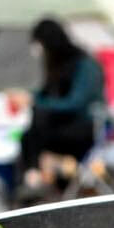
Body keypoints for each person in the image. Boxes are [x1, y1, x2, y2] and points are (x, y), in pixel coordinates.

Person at [11, 19, 104, 189]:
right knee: (31, 132)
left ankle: (34, 180)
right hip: (62, 128)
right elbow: (46, 94)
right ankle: (34, 178)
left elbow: (75, 103)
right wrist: (29, 97)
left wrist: (35, 101)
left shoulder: (85, 65)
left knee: (34, 134)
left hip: (83, 130)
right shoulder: (57, 66)